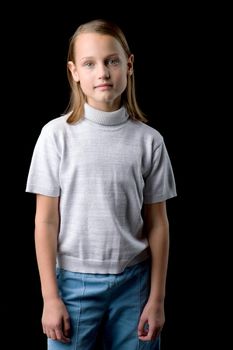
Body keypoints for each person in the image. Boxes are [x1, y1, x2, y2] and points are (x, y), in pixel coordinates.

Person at [26, 18, 177, 350]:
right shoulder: (56, 136)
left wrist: (157, 298)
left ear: (129, 65)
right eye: (89, 64)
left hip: (134, 286)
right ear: (74, 71)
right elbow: (45, 220)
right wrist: (50, 297)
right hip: (73, 284)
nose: (103, 73)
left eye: (112, 61)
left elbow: (158, 224)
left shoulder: (149, 141)